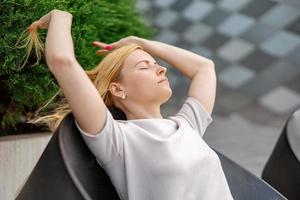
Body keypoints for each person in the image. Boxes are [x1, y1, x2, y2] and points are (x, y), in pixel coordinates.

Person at [27, 9, 234, 200]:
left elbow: (204, 68)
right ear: (118, 90)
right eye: (145, 67)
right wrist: (61, 16)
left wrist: (141, 43)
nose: (162, 69)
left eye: (157, 64)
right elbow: (62, 61)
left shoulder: (188, 125)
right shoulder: (116, 139)